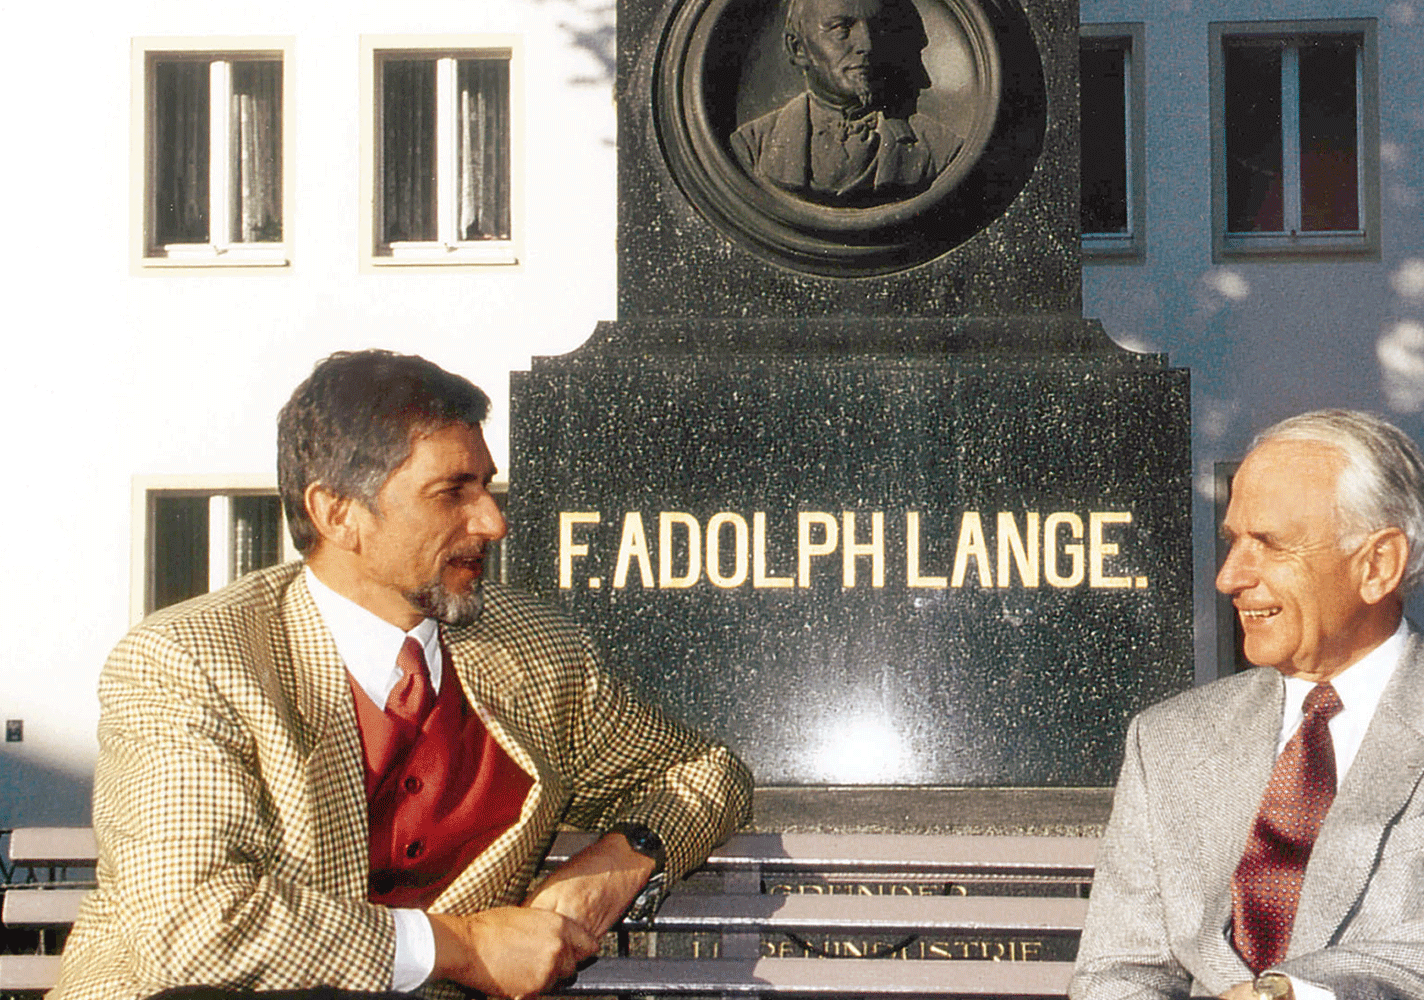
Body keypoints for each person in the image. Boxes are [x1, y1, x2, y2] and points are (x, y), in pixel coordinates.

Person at [53, 350, 752, 1000]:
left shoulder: (535, 651)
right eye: (453, 492)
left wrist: (613, 867)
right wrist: (459, 945)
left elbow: (702, 772)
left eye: (486, 485)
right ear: (337, 513)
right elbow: (192, 926)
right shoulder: (189, 662)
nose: (493, 521)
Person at [1071, 409, 1424, 1000]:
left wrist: (1289, 993)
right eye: (1233, 542)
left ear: (1377, 566)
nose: (1228, 577)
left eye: (1268, 545)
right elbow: (1119, 970)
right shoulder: (1170, 737)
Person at [729, 0, 961, 205]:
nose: (867, 45)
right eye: (842, 28)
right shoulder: (752, 146)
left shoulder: (939, 149)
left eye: (877, 27)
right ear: (798, 48)